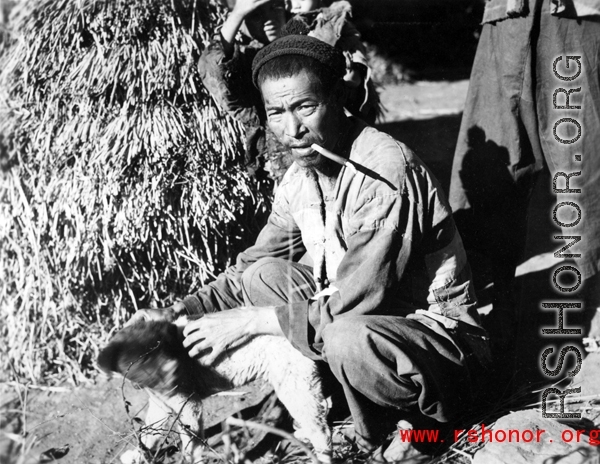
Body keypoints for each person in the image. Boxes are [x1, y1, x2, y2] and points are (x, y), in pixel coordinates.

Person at [137, 35, 490, 460]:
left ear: (336, 97)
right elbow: (251, 265)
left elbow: (358, 300)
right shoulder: (300, 176)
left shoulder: (383, 171)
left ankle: (429, 426)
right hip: (365, 322)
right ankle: (354, 397)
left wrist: (252, 322)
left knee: (343, 337)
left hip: (437, 346)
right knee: (262, 275)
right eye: (277, 113)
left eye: (306, 107)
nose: (292, 129)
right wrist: (181, 311)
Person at [448, 0, 600, 345]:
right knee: (494, 161)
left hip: (575, 17)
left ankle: (594, 298)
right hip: (510, 19)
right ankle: (498, 300)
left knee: (584, 158)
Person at [199, 0, 379, 182]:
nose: (268, 20)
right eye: (256, 14)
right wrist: (237, 14)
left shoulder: (318, 38)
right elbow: (214, 72)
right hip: (285, 170)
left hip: (337, 160)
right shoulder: (247, 65)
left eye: (274, 8)